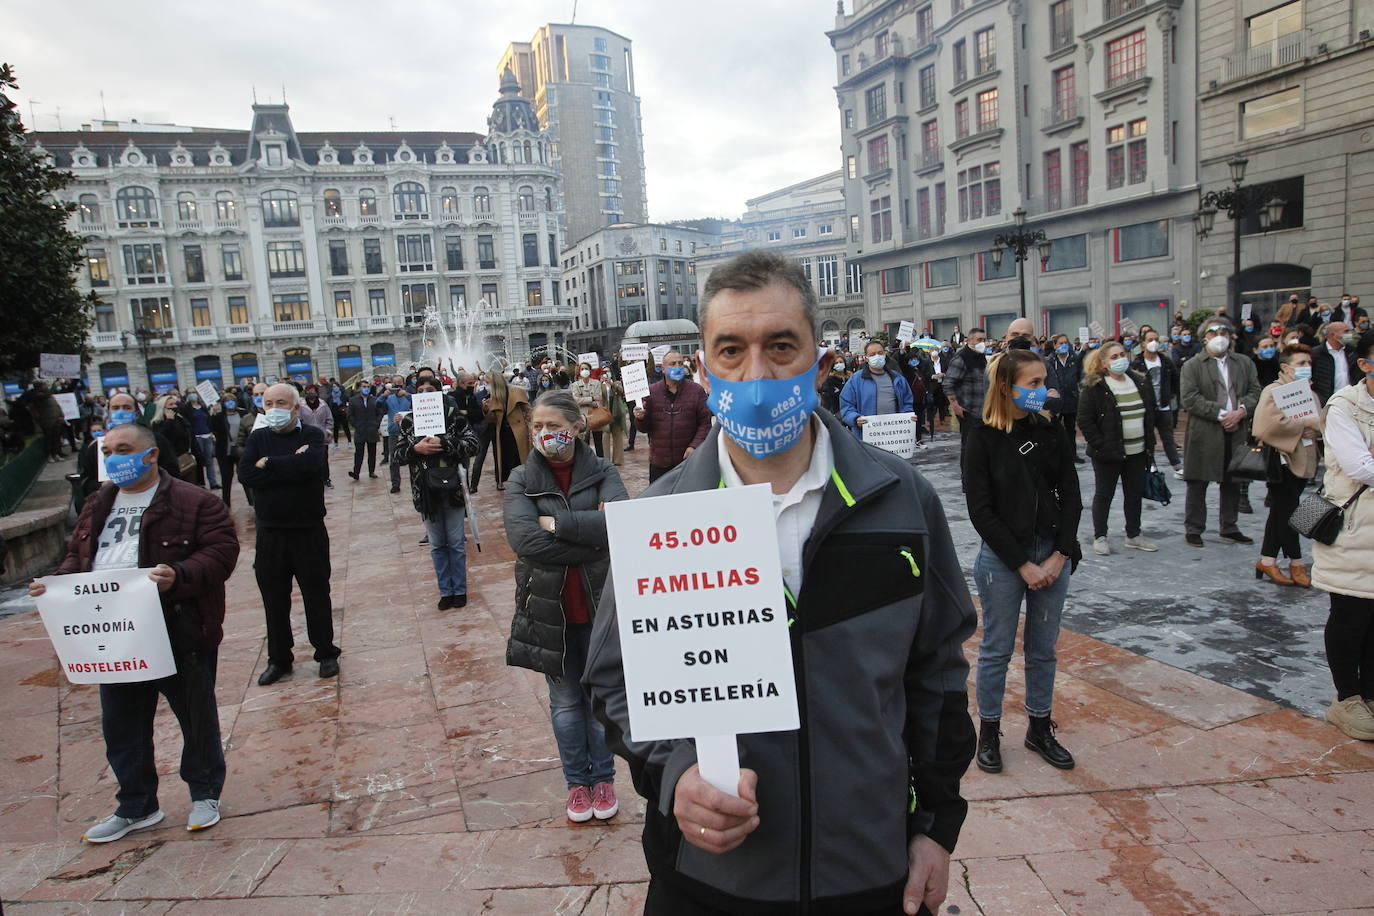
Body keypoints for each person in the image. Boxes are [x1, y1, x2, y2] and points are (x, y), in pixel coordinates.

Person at [584, 250, 976, 916]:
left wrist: (934, 824)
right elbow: (615, 681)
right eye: (731, 351)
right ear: (705, 371)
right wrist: (675, 776)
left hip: (867, 873)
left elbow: (935, 675)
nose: (757, 374)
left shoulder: (902, 498)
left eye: (781, 346)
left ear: (822, 366)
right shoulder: (662, 516)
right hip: (710, 880)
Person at [31, 422, 239, 841]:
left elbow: (221, 552)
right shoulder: (97, 502)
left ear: (150, 454)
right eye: (107, 450)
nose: (113, 458)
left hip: (175, 625)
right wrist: (54, 584)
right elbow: (79, 555)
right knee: (121, 723)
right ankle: (136, 805)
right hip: (112, 630)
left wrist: (178, 575)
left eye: (123, 449)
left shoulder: (194, 501)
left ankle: (204, 793)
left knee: (195, 716)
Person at [504, 390, 628, 823]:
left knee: (599, 701)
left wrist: (558, 525)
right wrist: (589, 539)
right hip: (550, 609)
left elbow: (622, 526)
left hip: (600, 607)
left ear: (577, 428)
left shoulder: (604, 472)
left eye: (553, 426)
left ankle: (604, 778)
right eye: (537, 427)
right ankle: (578, 783)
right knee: (565, 703)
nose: (544, 435)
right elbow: (524, 541)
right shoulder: (521, 478)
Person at [965, 348, 1082, 777]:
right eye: (1033, 384)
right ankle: (989, 731)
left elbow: (1071, 494)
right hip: (1003, 560)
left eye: (1042, 381)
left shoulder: (1050, 430)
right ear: (1005, 386)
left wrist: (1060, 554)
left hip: (1052, 554)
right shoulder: (981, 435)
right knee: (996, 649)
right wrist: (1021, 564)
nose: (1043, 390)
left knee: (1043, 649)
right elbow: (981, 509)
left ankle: (1039, 727)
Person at [238, 384, 341, 685]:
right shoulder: (258, 438)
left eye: (280, 402)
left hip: (308, 530)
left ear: (296, 407)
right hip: (271, 534)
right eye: (268, 403)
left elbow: (310, 467)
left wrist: (269, 464)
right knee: (274, 599)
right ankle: (279, 659)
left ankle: (325, 652)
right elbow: (246, 475)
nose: (273, 408)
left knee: (316, 594)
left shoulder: (311, 435)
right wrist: (289, 466)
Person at [1311, 330, 1374, 740]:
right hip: (1354, 528)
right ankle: (1346, 697)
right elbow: (1360, 466)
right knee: (1351, 615)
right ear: (1366, 364)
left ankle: (1370, 693)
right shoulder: (1345, 406)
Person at [393, 376, 479, 609]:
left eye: (430, 390)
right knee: (437, 544)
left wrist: (446, 443)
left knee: (455, 542)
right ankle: (445, 591)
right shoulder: (409, 422)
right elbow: (397, 455)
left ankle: (459, 590)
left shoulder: (454, 418)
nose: (425, 394)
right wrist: (415, 448)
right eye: (420, 390)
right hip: (426, 491)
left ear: (439, 393)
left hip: (452, 489)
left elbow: (473, 445)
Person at [1179, 322, 1262, 547]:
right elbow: (1190, 398)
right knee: (1198, 481)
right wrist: (1221, 414)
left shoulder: (1244, 363)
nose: (1219, 336)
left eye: (1224, 332)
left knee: (1232, 480)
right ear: (1204, 338)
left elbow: (1255, 391)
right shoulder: (1193, 365)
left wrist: (1240, 412)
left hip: (1237, 430)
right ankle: (1194, 528)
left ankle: (1229, 526)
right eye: (1213, 333)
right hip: (1205, 432)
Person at [1077, 342, 1159, 555]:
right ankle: (1100, 536)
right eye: (1114, 356)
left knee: (1134, 494)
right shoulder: (1096, 387)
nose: (1120, 358)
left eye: (1122, 354)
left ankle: (1133, 534)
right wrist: (1100, 444)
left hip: (1137, 451)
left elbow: (1150, 412)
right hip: (1107, 453)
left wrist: (1150, 442)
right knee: (1104, 494)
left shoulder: (1139, 382)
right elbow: (1085, 420)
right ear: (1104, 363)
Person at [1251, 344, 1321, 587]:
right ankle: (1296, 562)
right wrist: (1304, 425)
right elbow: (1264, 426)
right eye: (1301, 364)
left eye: (1308, 363)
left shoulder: (1308, 391)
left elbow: (1319, 422)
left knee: (1280, 512)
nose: (1306, 368)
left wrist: (1314, 427)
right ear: (1285, 367)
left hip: (1305, 458)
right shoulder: (1274, 391)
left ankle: (1268, 560)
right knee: (1289, 513)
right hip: (1281, 460)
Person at [77, 392, 181, 499]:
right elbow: (84, 481)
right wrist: (101, 486)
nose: (121, 412)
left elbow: (173, 472)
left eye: (127, 408)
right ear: (109, 412)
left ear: (136, 413)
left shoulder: (155, 440)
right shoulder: (95, 446)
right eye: (115, 408)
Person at [632, 350, 712, 483]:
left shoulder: (696, 391)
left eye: (680, 363)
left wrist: (694, 446)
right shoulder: (652, 392)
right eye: (673, 364)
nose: (677, 367)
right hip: (660, 462)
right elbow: (645, 428)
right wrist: (640, 418)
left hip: (688, 461)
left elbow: (705, 423)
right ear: (663, 369)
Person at [839, 339, 921, 446]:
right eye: (872, 354)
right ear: (866, 358)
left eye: (880, 353)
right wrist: (855, 419)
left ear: (885, 354)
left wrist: (908, 416)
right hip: (866, 438)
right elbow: (846, 405)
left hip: (895, 436)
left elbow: (907, 402)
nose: (877, 356)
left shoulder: (898, 379)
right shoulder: (856, 380)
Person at [1132, 329, 1182, 474]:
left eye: (1156, 339)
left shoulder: (1165, 361)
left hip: (1164, 405)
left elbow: (1175, 379)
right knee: (1149, 437)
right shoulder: (1137, 363)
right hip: (1147, 407)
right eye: (1150, 340)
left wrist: (1171, 394)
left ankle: (1177, 464)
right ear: (1143, 343)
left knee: (1168, 437)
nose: (1154, 343)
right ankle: (1151, 463)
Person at [476, 371, 532, 490]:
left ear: (495, 382)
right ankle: (513, 483)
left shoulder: (516, 391)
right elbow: (491, 420)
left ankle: (525, 482)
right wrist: (486, 410)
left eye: (487, 382)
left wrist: (531, 426)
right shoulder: (493, 397)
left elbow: (528, 410)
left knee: (520, 457)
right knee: (507, 459)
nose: (485, 385)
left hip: (518, 430)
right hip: (502, 432)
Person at [944, 327, 989, 466]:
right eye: (979, 340)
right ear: (969, 341)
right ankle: (967, 477)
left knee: (982, 448)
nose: (983, 343)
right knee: (969, 448)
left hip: (982, 409)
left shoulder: (981, 357)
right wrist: (956, 406)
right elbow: (948, 384)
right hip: (968, 410)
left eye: (984, 339)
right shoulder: (961, 358)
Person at [1044, 334, 1085, 464]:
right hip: (1056, 400)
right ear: (1055, 345)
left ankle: (1073, 455)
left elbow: (1079, 376)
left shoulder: (1074, 359)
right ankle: (1056, 455)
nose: (1063, 345)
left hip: (1071, 399)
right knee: (1055, 429)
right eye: (1060, 343)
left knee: (1070, 429)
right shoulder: (1050, 361)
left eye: (1065, 342)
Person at [208, 391, 245, 508]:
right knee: (226, 477)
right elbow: (211, 427)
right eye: (227, 402)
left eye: (232, 401)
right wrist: (213, 413)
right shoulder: (219, 416)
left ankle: (252, 501)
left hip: (241, 450)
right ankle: (226, 504)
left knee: (244, 476)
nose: (230, 403)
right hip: (224, 451)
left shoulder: (243, 413)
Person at [297, 385, 334, 489]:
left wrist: (327, 432)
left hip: (322, 437)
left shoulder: (323, 404)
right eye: (309, 391)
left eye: (313, 391)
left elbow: (329, 420)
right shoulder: (301, 405)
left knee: (323, 459)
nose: (311, 393)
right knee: (309, 459)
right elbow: (298, 420)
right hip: (307, 437)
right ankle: (313, 480)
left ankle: (326, 479)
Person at [1313, 320, 1358, 406]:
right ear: (1333, 335)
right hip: (1327, 401)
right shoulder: (1317, 354)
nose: (1349, 334)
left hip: (1351, 400)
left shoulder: (1352, 351)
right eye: (1346, 331)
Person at [347, 382, 383, 481]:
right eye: (364, 387)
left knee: (372, 453)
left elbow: (380, 413)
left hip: (372, 430)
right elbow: (350, 415)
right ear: (359, 388)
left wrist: (376, 424)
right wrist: (356, 425)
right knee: (359, 453)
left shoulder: (375, 400)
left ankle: (371, 471)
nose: (366, 389)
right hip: (360, 430)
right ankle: (356, 473)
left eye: (367, 387)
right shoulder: (353, 400)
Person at [570, 361, 607, 457]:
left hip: (595, 415)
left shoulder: (596, 383)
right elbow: (576, 400)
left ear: (590, 370)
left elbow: (599, 399)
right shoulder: (575, 385)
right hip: (582, 417)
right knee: (584, 443)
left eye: (586, 369)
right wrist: (592, 398)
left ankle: (600, 463)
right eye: (582, 369)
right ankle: (585, 464)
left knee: (598, 442)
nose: (584, 371)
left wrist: (584, 399)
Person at [382, 384, 412, 493]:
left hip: (409, 431)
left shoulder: (407, 397)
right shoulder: (389, 398)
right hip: (394, 431)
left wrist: (407, 394)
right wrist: (384, 395)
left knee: (413, 456)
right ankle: (395, 484)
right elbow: (378, 404)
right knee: (393, 458)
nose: (397, 389)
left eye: (399, 386)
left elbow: (419, 402)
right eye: (395, 387)